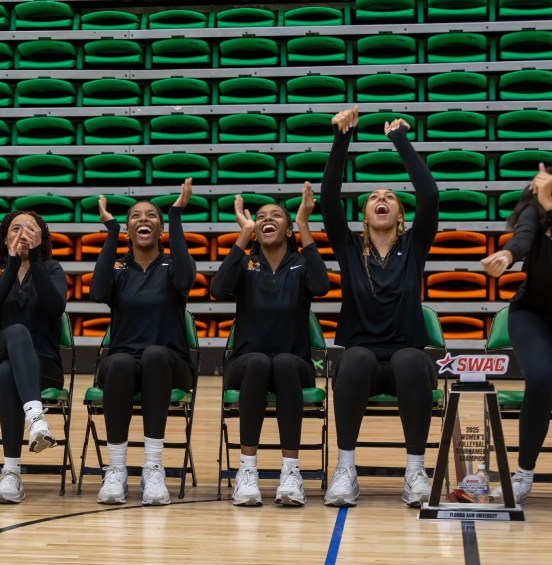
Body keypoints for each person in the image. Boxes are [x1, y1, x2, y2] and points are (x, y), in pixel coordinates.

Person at [322, 106, 439, 507]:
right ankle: (345, 471)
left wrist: (399, 140)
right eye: (374, 197)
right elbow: (328, 197)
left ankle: (415, 472)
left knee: (411, 360)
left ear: (400, 215)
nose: (382, 199)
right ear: (365, 216)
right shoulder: (349, 247)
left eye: (390, 196)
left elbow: (429, 195)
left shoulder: (414, 245)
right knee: (353, 359)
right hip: (363, 362)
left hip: (406, 358)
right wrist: (342, 138)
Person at [211, 183, 329, 506]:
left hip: (294, 364)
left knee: (284, 362)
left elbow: (322, 286)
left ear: (288, 229)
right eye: (261, 216)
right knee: (260, 361)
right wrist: (242, 234)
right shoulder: (246, 264)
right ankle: (247, 471)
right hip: (246, 364)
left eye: (276, 216)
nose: (267, 219)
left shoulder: (301, 263)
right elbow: (218, 290)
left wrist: (304, 225)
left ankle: (291, 473)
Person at [89, 178, 196, 506]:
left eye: (151, 216)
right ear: (128, 230)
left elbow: (186, 279)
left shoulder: (173, 265)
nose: (143, 219)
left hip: (170, 362)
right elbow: (97, 292)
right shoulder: (119, 269)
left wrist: (175, 215)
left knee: (154, 355)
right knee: (120, 362)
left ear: (161, 229)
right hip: (125, 360)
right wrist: (111, 231)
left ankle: (153, 467)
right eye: (136, 216)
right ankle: (116, 469)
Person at [0, 209, 66, 503]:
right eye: (15, 229)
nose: (22, 233)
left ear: (41, 238)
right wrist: (12, 267)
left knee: (7, 373)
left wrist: (35, 261)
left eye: (30, 229)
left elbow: (55, 309)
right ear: (4, 238)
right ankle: (36, 417)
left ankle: (11, 473)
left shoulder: (52, 269)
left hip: (43, 364)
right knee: (16, 333)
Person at [481, 163, 552, 505]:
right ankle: (523, 474)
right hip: (532, 312)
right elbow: (522, 238)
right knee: (541, 378)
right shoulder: (534, 213)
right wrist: (507, 254)